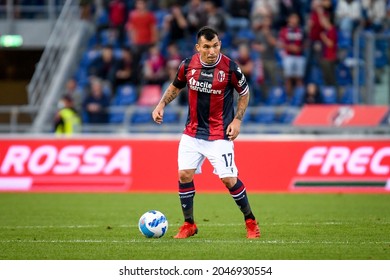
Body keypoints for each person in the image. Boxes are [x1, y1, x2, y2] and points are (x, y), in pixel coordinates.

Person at [152, 26, 261, 239]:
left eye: (216, 46)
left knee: (229, 180)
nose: (212, 51)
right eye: (207, 47)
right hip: (192, 132)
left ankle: (250, 221)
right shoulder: (187, 65)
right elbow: (176, 86)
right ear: (198, 47)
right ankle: (189, 224)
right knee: (184, 175)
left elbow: (244, 93)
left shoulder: (230, 68)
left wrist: (237, 120)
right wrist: (161, 104)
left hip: (219, 134)